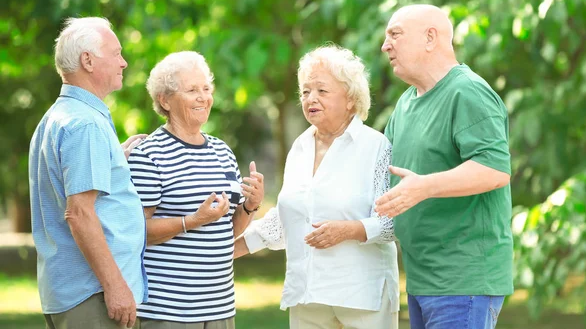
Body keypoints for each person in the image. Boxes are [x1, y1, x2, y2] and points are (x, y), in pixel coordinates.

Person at [234, 45, 399, 329]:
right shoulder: (300, 146)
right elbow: (288, 218)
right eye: (305, 91)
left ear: (350, 99)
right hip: (306, 295)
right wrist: (219, 250)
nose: (311, 98)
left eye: (322, 91)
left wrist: (349, 230)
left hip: (362, 296)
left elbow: (392, 222)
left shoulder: (376, 146)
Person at [375, 4, 513, 329]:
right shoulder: (406, 103)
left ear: (430, 38)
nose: (385, 46)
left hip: (464, 281)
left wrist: (423, 187)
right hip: (423, 279)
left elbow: (494, 170)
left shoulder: (468, 92)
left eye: (395, 35)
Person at [127, 51, 264, 329]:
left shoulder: (222, 151)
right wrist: (192, 222)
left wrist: (250, 205)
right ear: (164, 100)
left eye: (206, 89)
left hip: (220, 307)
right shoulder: (149, 154)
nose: (203, 97)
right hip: (169, 311)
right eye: (192, 90)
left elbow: (227, 231)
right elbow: (134, 233)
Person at [29, 17, 148, 329]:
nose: (124, 62)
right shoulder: (85, 125)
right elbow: (79, 213)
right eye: (116, 53)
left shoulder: (58, 117)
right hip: (93, 296)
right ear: (88, 60)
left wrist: (113, 159)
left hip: (71, 293)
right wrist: (115, 286)